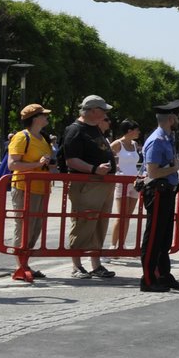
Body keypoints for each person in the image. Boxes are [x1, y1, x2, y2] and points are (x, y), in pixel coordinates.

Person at [59, 95, 120, 279]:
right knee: (84, 222)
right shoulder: (75, 130)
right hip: (87, 184)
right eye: (103, 111)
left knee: (100, 224)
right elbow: (71, 160)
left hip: (102, 183)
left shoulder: (94, 129)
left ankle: (96, 264)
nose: (105, 114)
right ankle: (77, 266)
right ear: (93, 110)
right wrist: (94, 169)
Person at [138, 100, 179, 291]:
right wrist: (175, 168)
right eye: (176, 116)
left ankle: (163, 275)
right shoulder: (157, 140)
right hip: (157, 191)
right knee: (154, 237)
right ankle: (148, 279)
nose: (178, 119)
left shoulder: (167, 138)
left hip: (166, 191)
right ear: (170, 118)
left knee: (164, 238)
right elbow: (152, 172)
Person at [6, 103, 55, 281]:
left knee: (35, 227)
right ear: (35, 118)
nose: (46, 118)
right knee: (24, 226)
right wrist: (37, 164)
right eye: (43, 115)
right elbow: (12, 165)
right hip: (24, 188)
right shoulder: (21, 137)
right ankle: (20, 266)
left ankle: (25, 263)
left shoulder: (42, 138)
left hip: (42, 188)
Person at [109, 119, 142, 249]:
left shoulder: (134, 144)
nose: (138, 132)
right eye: (136, 129)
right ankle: (113, 244)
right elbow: (106, 156)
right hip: (121, 181)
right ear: (129, 131)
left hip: (134, 181)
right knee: (120, 215)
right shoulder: (118, 144)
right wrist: (114, 169)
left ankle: (121, 245)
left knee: (128, 215)